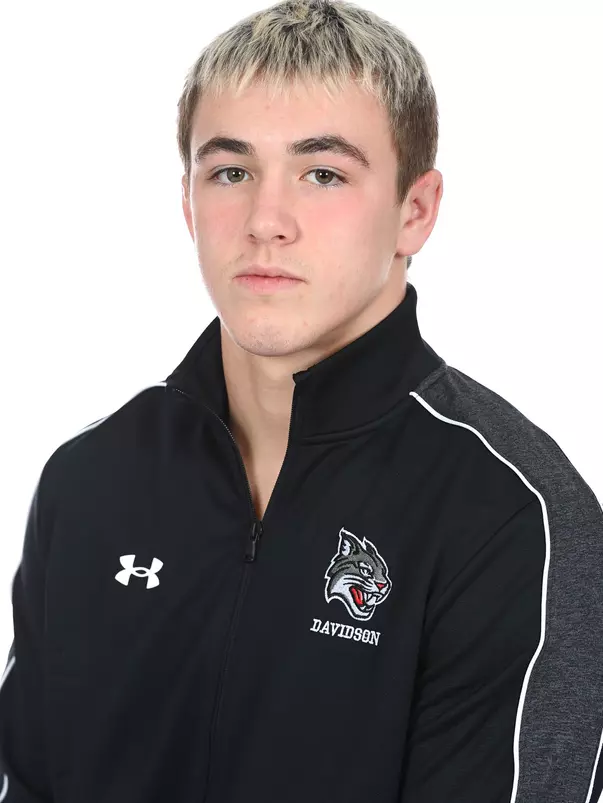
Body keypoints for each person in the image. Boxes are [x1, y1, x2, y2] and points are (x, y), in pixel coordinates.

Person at [1, 0, 602, 800]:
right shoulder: (90, 477)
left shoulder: (513, 516)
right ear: (187, 203)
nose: (265, 221)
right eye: (231, 171)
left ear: (414, 211)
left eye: (322, 173)